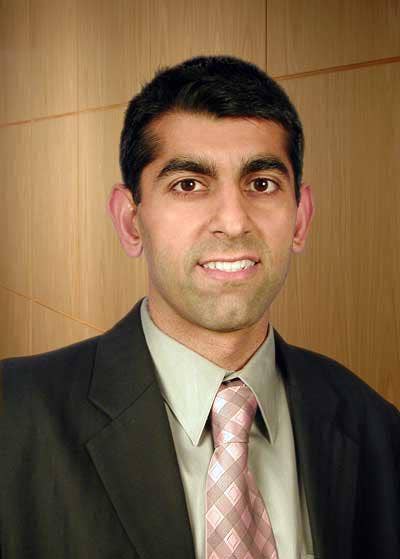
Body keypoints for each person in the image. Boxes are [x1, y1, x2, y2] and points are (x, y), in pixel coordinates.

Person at [0, 56, 399, 559]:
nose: (233, 222)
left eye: (261, 183)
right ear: (130, 222)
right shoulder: (13, 417)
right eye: (188, 184)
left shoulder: (378, 429)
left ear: (300, 220)